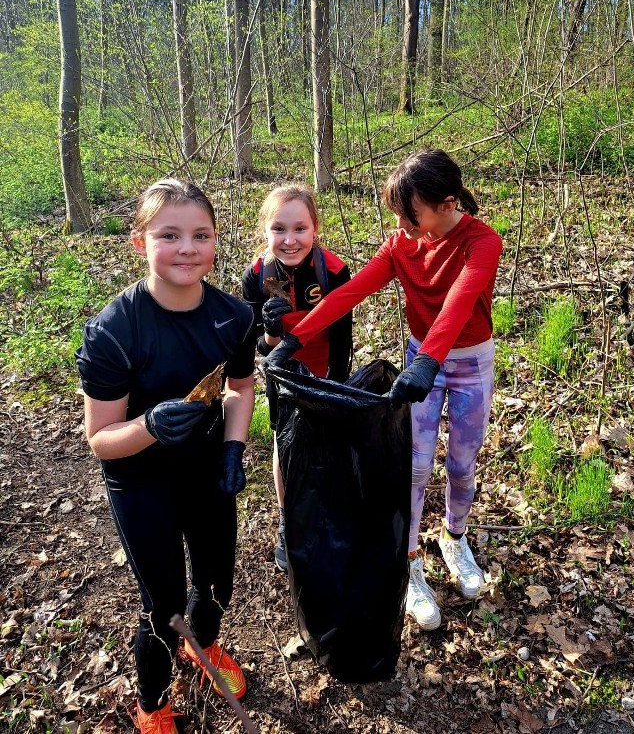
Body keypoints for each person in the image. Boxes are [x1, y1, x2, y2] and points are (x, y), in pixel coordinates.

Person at [264, 150, 502, 631]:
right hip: (423, 358)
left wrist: (433, 358)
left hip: (468, 361)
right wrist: (295, 338)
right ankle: (409, 560)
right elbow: (348, 294)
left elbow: (460, 299)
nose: (401, 224)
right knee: (413, 466)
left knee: (461, 461)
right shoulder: (402, 245)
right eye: (396, 214)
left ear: (448, 202)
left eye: (409, 214)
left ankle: (455, 539)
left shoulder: (482, 241)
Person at [75, 179, 255, 733]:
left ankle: (201, 651)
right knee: (164, 603)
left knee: (216, 583)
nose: (186, 248)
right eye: (169, 235)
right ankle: (152, 703)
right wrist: (150, 425)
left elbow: (240, 388)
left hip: (206, 471)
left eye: (200, 235)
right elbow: (99, 438)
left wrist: (232, 448)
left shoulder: (235, 317)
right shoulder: (114, 332)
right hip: (141, 481)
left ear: (216, 242)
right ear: (139, 242)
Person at [242, 183, 352, 571]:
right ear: (266, 230)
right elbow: (257, 343)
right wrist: (270, 333)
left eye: (300, 229)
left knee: (326, 444)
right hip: (284, 376)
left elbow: (343, 337)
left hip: (325, 372)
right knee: (284, 446)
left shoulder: (334, 271)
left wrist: (338, 385)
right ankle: (290, 523)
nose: (290, 240)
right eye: (279, 229)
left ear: (315, 228)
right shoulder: (258, 275)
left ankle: (327, 510)